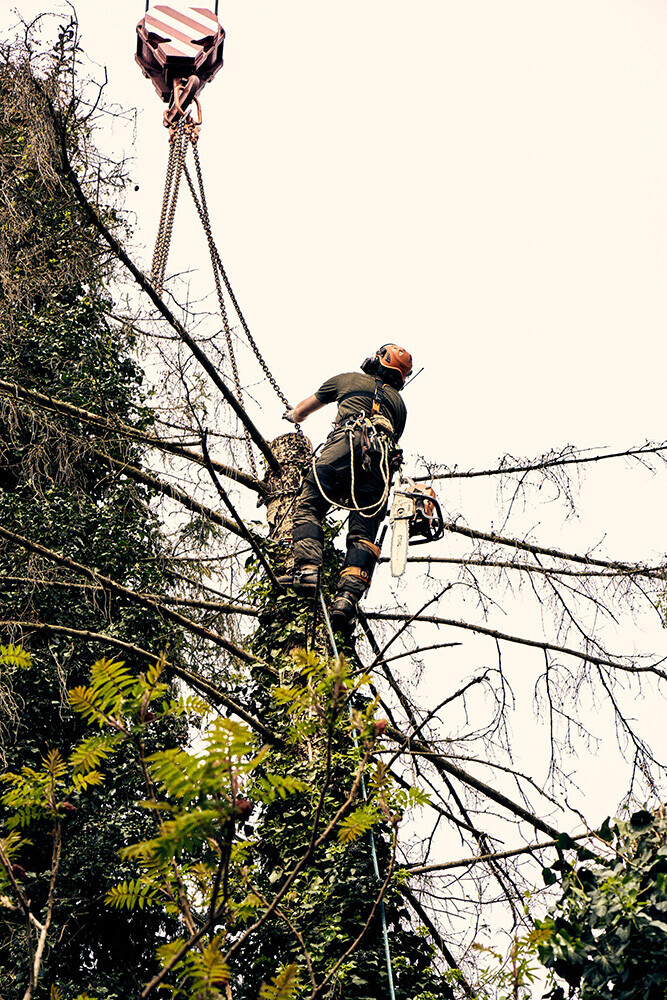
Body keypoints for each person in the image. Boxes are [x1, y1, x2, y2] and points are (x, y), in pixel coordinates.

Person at [280, 344, 412, 628]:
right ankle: (347, 598)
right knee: (364, 531)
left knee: (310, 502)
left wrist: (292, 416)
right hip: (381, 462)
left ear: (377, 360)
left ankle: (307, 569)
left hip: (345, 444)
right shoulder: (399, 406)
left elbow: (303, 410)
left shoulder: (346, 380)